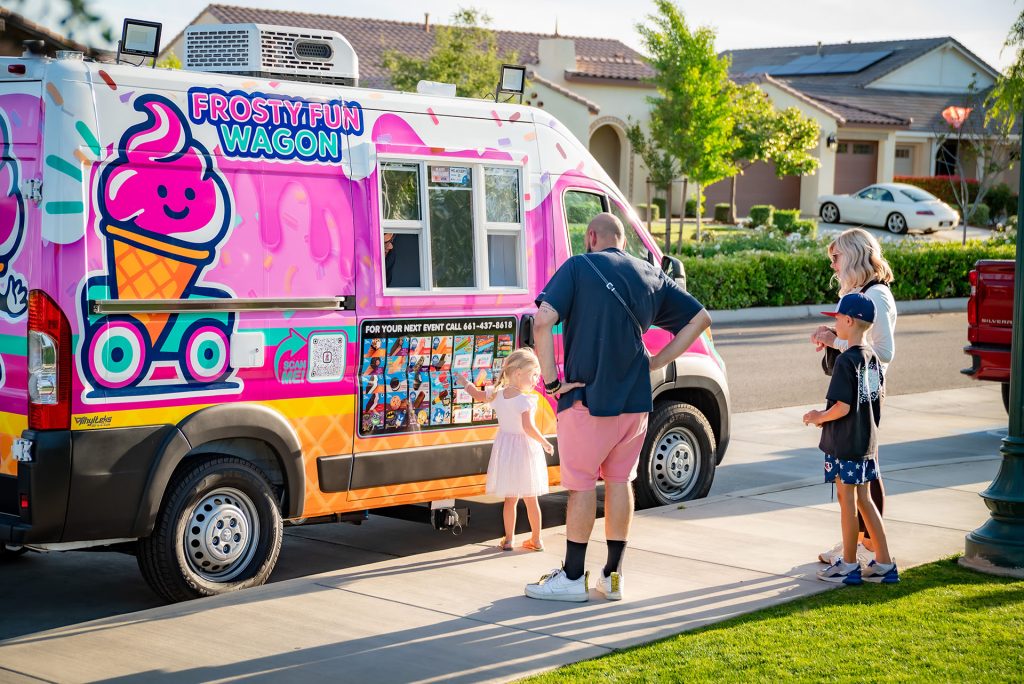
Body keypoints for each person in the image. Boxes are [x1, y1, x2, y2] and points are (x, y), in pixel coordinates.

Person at [525, 212, 711, 602]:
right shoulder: (648, 273)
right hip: (635, 404)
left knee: (579, 489)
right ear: (623, 241)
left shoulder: (578, 266)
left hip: (587, 401)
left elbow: (542, 321)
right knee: (620, 482)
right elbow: (700, 319)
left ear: (591, 236)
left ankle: (573, 578)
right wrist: (657, 361)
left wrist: (553, 381)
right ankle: (613, 578)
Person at [810, 228, 896, 565]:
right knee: (857, 470)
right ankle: (860, 543)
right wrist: (831, 335)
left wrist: (837, 342)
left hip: (863, 395)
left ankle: (866, 545)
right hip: (854, 388)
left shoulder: (877, 295)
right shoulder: (860, 291)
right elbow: (854, 336)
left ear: (856, 254)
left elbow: (883, 351)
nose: (833, 265)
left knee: (861, 469)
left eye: (836, 257)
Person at [803, 292, 899, 585]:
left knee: (847, 501)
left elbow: (842, 406)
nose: (835, 327)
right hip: (866, 442)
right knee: (865, 501)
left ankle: (847, 565)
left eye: (837, 320)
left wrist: (817, 416)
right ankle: (884, 563)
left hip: (845, 444)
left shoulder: (846, 361)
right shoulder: (872, 359)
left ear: (848, 321)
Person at [457, 348, 576, 552]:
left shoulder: (497, 395)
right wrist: (545, 442)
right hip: (525, 449)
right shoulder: (526, 400)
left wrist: (464, 382)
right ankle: (536, 539)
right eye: (533, 375)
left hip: (506, 450)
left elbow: (477, 394)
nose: (536, 380)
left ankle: (509, 540)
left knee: (510, 500)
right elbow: (528, 427)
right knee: (531, 498)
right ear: (518, 373)